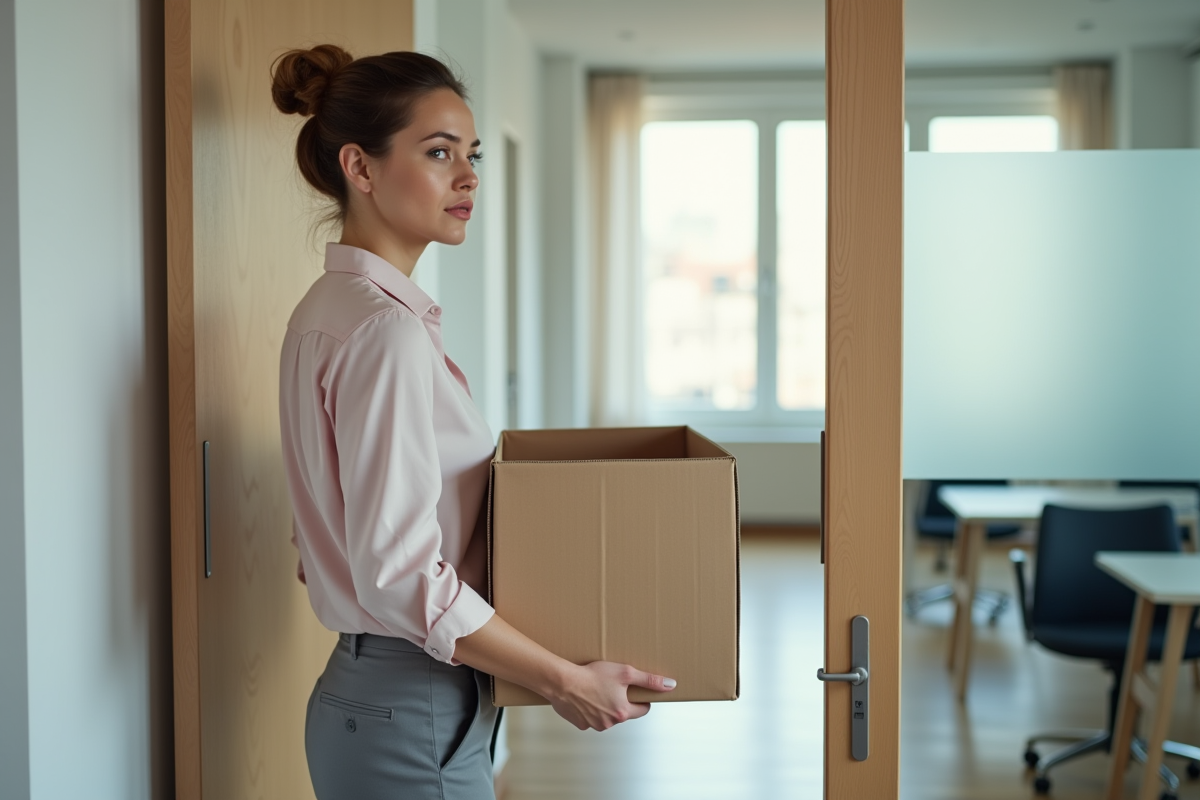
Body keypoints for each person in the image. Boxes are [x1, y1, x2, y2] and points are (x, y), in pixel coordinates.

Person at [272, 45, 675, 800]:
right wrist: (563, 680)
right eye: (437, 152)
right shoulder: (381, 331)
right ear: (360, 168)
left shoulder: (325, 312)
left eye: (471, 154)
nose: (468, 178)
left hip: (377, 692)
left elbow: (331, 538)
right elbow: (394, 571)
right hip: (412, 703)